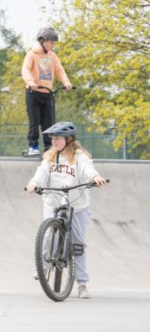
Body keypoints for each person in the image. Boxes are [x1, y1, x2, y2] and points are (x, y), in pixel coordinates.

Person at [25, 122, 107, 299]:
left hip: (77, 206)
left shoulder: (80, 156)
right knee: (47, 235)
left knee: (77, 244)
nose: (53, 142)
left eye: (57, 139)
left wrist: (95, 177)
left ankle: (82, 284)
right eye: (52, 139)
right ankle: (44, 267)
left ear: (68, 139)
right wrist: (33, 183)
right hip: (52, 201)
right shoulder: (49, 156)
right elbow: (42, 172)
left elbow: (87, 169)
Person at [22, 27, 72, 155]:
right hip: (33, 93)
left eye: (54, 43)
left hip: (48, 93)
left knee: (48, 123)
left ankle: (49, 147)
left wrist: (66, 82)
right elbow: (25, 69)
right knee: (34, 121)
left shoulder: (52, 56)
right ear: (42, 41)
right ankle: (33, 147)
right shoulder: (32, 54)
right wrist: (30, 82)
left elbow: (59, 70)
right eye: (51, 42)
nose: (53, 45)